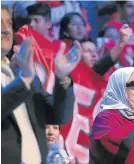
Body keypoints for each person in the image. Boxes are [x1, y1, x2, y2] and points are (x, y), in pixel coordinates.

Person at [1, 5, 77, 163]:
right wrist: (24, 80)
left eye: (8, 23)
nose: (5, 29)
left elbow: (58, 116)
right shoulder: (26, 77)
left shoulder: (25, 75)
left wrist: (62, 80)